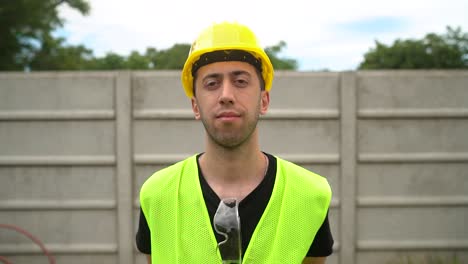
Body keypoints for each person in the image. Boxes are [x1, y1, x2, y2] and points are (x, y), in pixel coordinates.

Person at [136, 21, 333, 264]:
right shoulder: (157, 195)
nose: (226, 95)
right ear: (195, 106)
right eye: (212, 83)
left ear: (264, 100)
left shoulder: (309, 195)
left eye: (240, 81)